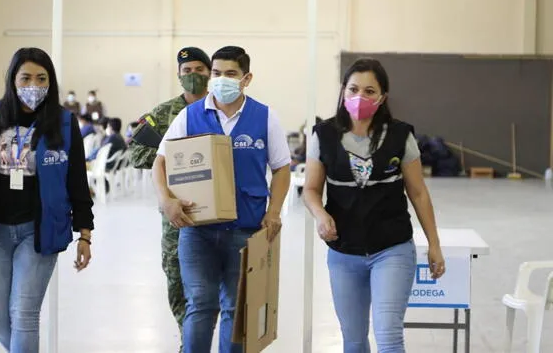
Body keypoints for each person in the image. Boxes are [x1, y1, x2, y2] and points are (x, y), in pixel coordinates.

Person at [0, 47, 94, 353]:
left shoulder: (64, 123)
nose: (34, 85)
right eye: (26, 77)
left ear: (50, 83)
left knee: (24, 316)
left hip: (39, 229)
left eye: (42, 79)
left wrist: (85, 234)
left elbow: (77, 181)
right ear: (12, 80)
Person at [152, 46, 291, 353]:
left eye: (230, 74)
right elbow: (159, 162)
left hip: (245, 229)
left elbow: (282, 168)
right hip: (197, 229)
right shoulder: (190, 115)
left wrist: (274, 211)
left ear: (246, 78)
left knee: (235, 308)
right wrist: (166, 200)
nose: (221, 80)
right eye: (216, 73)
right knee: (200, 305)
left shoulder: (265, 117)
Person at [301, 58, 445, 353]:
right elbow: (312, 190)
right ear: (343, 91)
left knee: (389, 335)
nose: (360, 97)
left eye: (369, 91)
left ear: (382, 98)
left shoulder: (400, 136)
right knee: (353, 341)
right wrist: (320, 214)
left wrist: (434, 243)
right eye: (353, 89)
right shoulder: (323, 135)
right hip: (344, 253)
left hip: (391, 248)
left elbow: (418, 193)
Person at [129, 46, 211, 349]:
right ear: (179, 75)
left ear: (209, 72)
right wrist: (178, 158)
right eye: (187, 71)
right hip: (177, 210)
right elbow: (136, 152)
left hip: (222, 211)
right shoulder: (163, 113)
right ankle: (187, 340)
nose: (193, 76)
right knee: (177, 278)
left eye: (199, 70)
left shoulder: (223, 109)